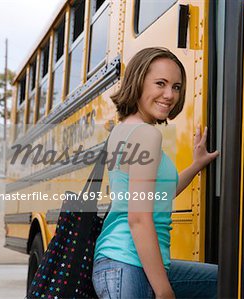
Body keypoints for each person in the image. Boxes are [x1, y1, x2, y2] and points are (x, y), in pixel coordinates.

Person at [92, 47, 219, 299]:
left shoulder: (124, 130)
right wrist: (163, 290)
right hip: (129, 264)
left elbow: (159, 194)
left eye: (176, 87)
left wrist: (196, 165)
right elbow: (138, 218)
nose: (169, 95)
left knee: (222, 280)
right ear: (138, 82)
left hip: (122, 265)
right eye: (160, 84)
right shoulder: (146, 135)